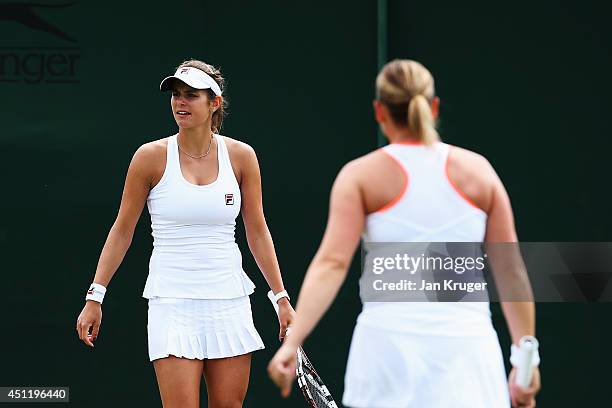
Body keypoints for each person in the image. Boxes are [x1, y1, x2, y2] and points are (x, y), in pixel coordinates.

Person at [268, 59, 540, 408]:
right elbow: (511, 270)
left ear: (379, 112)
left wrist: (292, 344)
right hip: (468, 356)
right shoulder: (480, 172)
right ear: (433, 106)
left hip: (387, 357)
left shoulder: (360, 176)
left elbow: (332, 264)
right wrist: (525, 360)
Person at [76, 59, 295, 408]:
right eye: (176, 95)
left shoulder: (242, 157)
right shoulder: (149, 157)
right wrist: (95, 296)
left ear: (214, 103)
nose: (180, 102)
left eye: (191, 95)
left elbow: (257, 230)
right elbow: (122, 230)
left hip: (229, 300)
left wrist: (280, 297)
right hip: (172, 302)